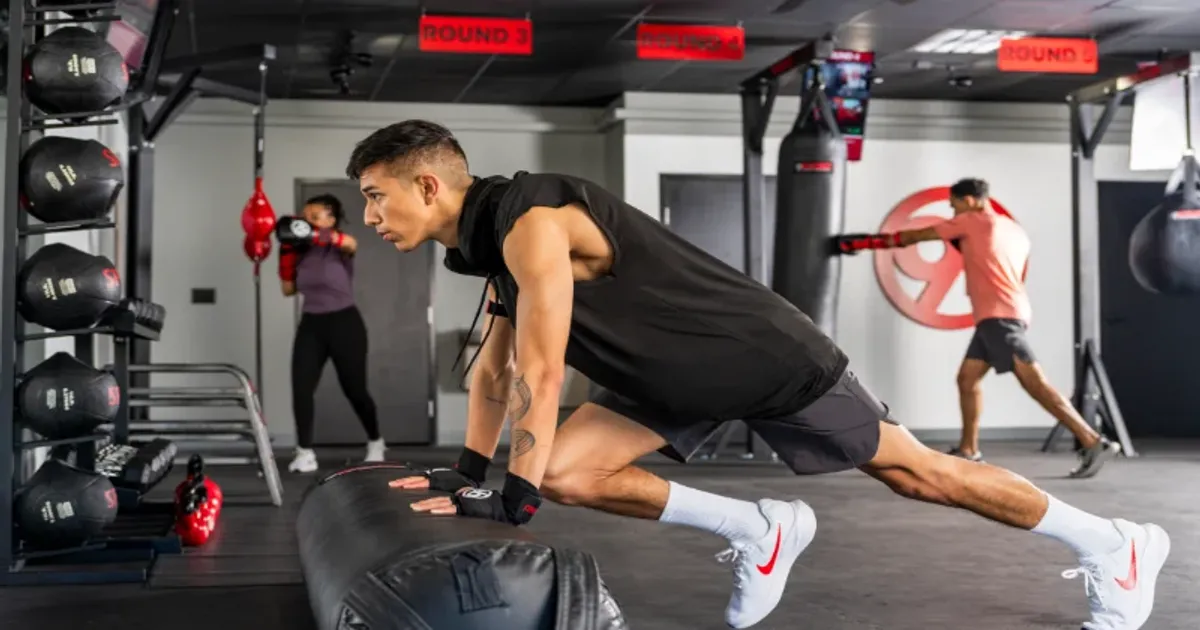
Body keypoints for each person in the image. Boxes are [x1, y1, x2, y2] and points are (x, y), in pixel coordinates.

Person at [350, 120, 1169, 630]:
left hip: (758, 356)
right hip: (670, 376)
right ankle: (758, 529)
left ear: (427, 183)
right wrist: (468, 473)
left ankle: (1116, 545)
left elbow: (540, 359)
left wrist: (512, 493)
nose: (371, 218)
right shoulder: (490, 244)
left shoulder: (534, 220)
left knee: (917, 475)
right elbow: (493, 367)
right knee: (569, 471)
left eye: (376, 197)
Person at [832, 178, 1122, 478]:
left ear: (970, 200)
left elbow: (917, 236)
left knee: (1035, 382)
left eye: (954, 203)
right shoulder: (1014, 229)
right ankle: (969, 450)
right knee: (967, 379)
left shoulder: (971, 221)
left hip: (999, 317)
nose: (951, 209)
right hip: (1006, 313)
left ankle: (1092, 440)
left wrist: (863, 242)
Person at [278, 194, 385, 473]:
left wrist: (310, 233)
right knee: (301, 388)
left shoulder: (340, 245)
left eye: (314, 217)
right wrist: (287, 255)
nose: (305, 223)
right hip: (312, 324)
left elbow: (352, 243)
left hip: (344, 323)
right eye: (303, 218)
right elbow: (288, 290)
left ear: (330, 220)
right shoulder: (300, 251)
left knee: (355, 390)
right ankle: (304, 453)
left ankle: (376, 442)